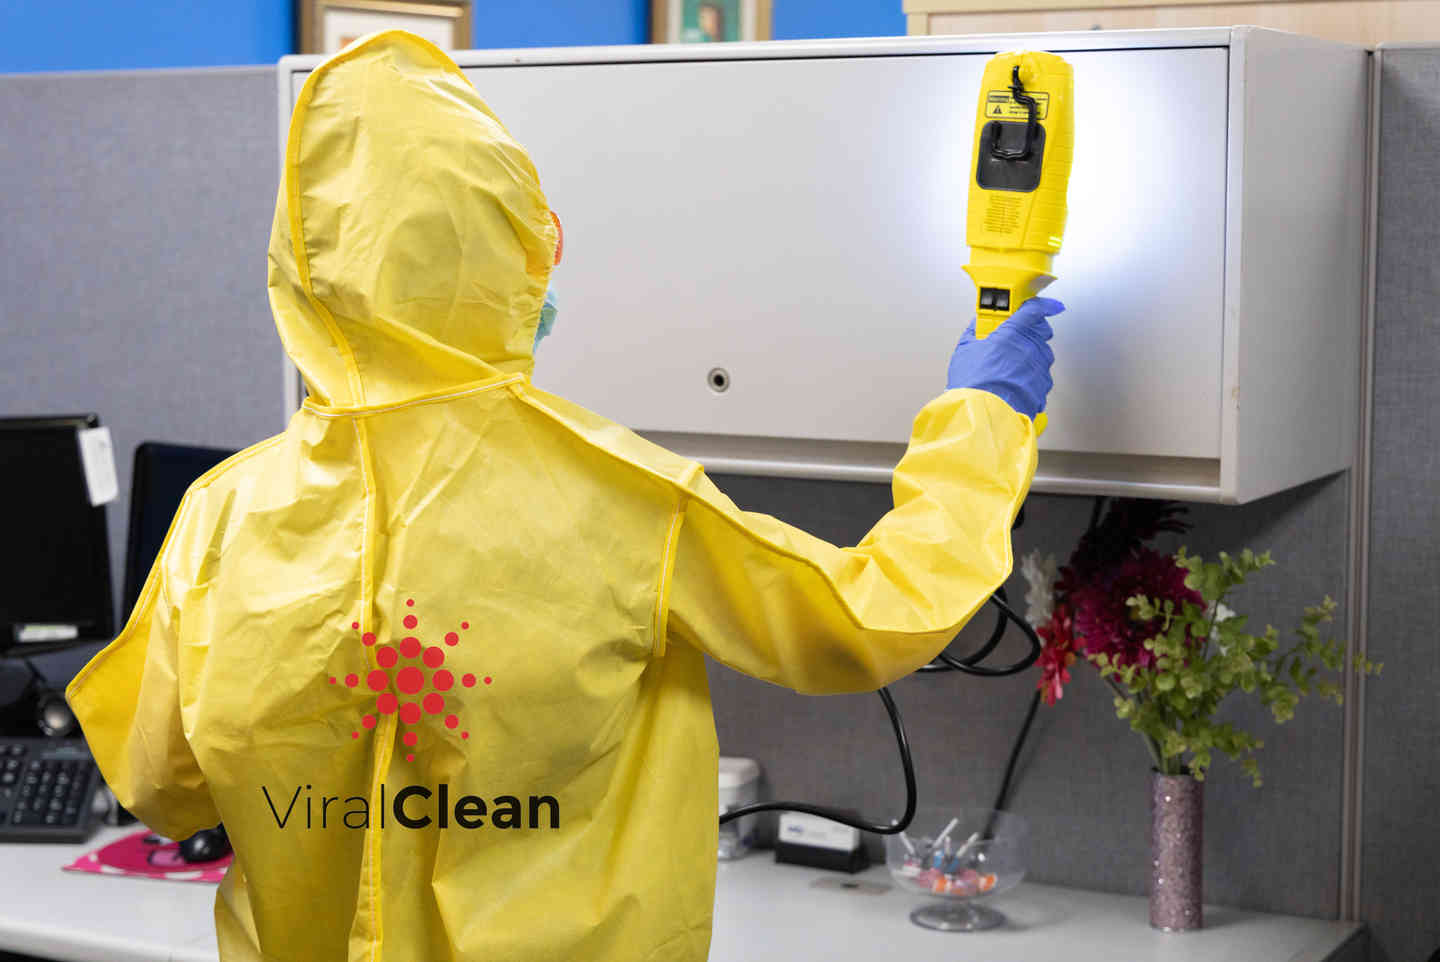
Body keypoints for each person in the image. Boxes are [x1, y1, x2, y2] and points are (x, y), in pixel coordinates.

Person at [65, 29, 1061, 962]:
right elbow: (864, 618)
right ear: (507, 251)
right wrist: (984, 415)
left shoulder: (219, 519)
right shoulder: (619, 499)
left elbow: (161, 786)